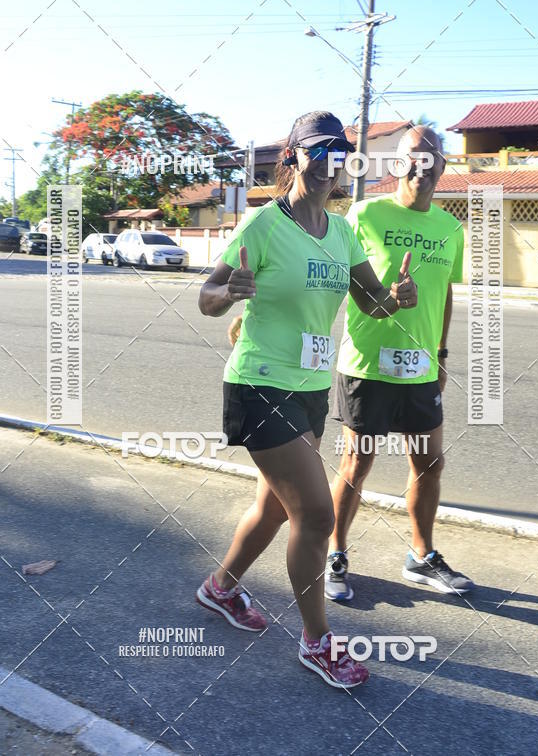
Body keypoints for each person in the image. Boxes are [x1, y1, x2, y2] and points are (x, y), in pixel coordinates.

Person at [196, 111, 418, 688]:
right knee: (316, 515)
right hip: (260, 384)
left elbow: (371, 303)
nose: (328, 165)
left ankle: (220, 588)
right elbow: (207, 296)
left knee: (276, 507)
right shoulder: (264, 224)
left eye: (338, 155)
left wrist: (397, 297)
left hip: (311, 390)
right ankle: (317, 641)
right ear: (292, 157)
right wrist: (229, 292)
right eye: (316, 152)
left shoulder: (342, 233)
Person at [327, 124, 474, 601]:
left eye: (431, 158)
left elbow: (445, 293)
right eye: (412, 157)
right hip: (367, 363)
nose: (421, 166)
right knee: (357, 461)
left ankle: (421, 555)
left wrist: (442, 353)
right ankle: (334, 553)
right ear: (396, 164)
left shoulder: (450, 228)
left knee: (430, 463)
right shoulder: (365, 214)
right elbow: (338, 280)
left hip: (421, 368)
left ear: (443, 167)